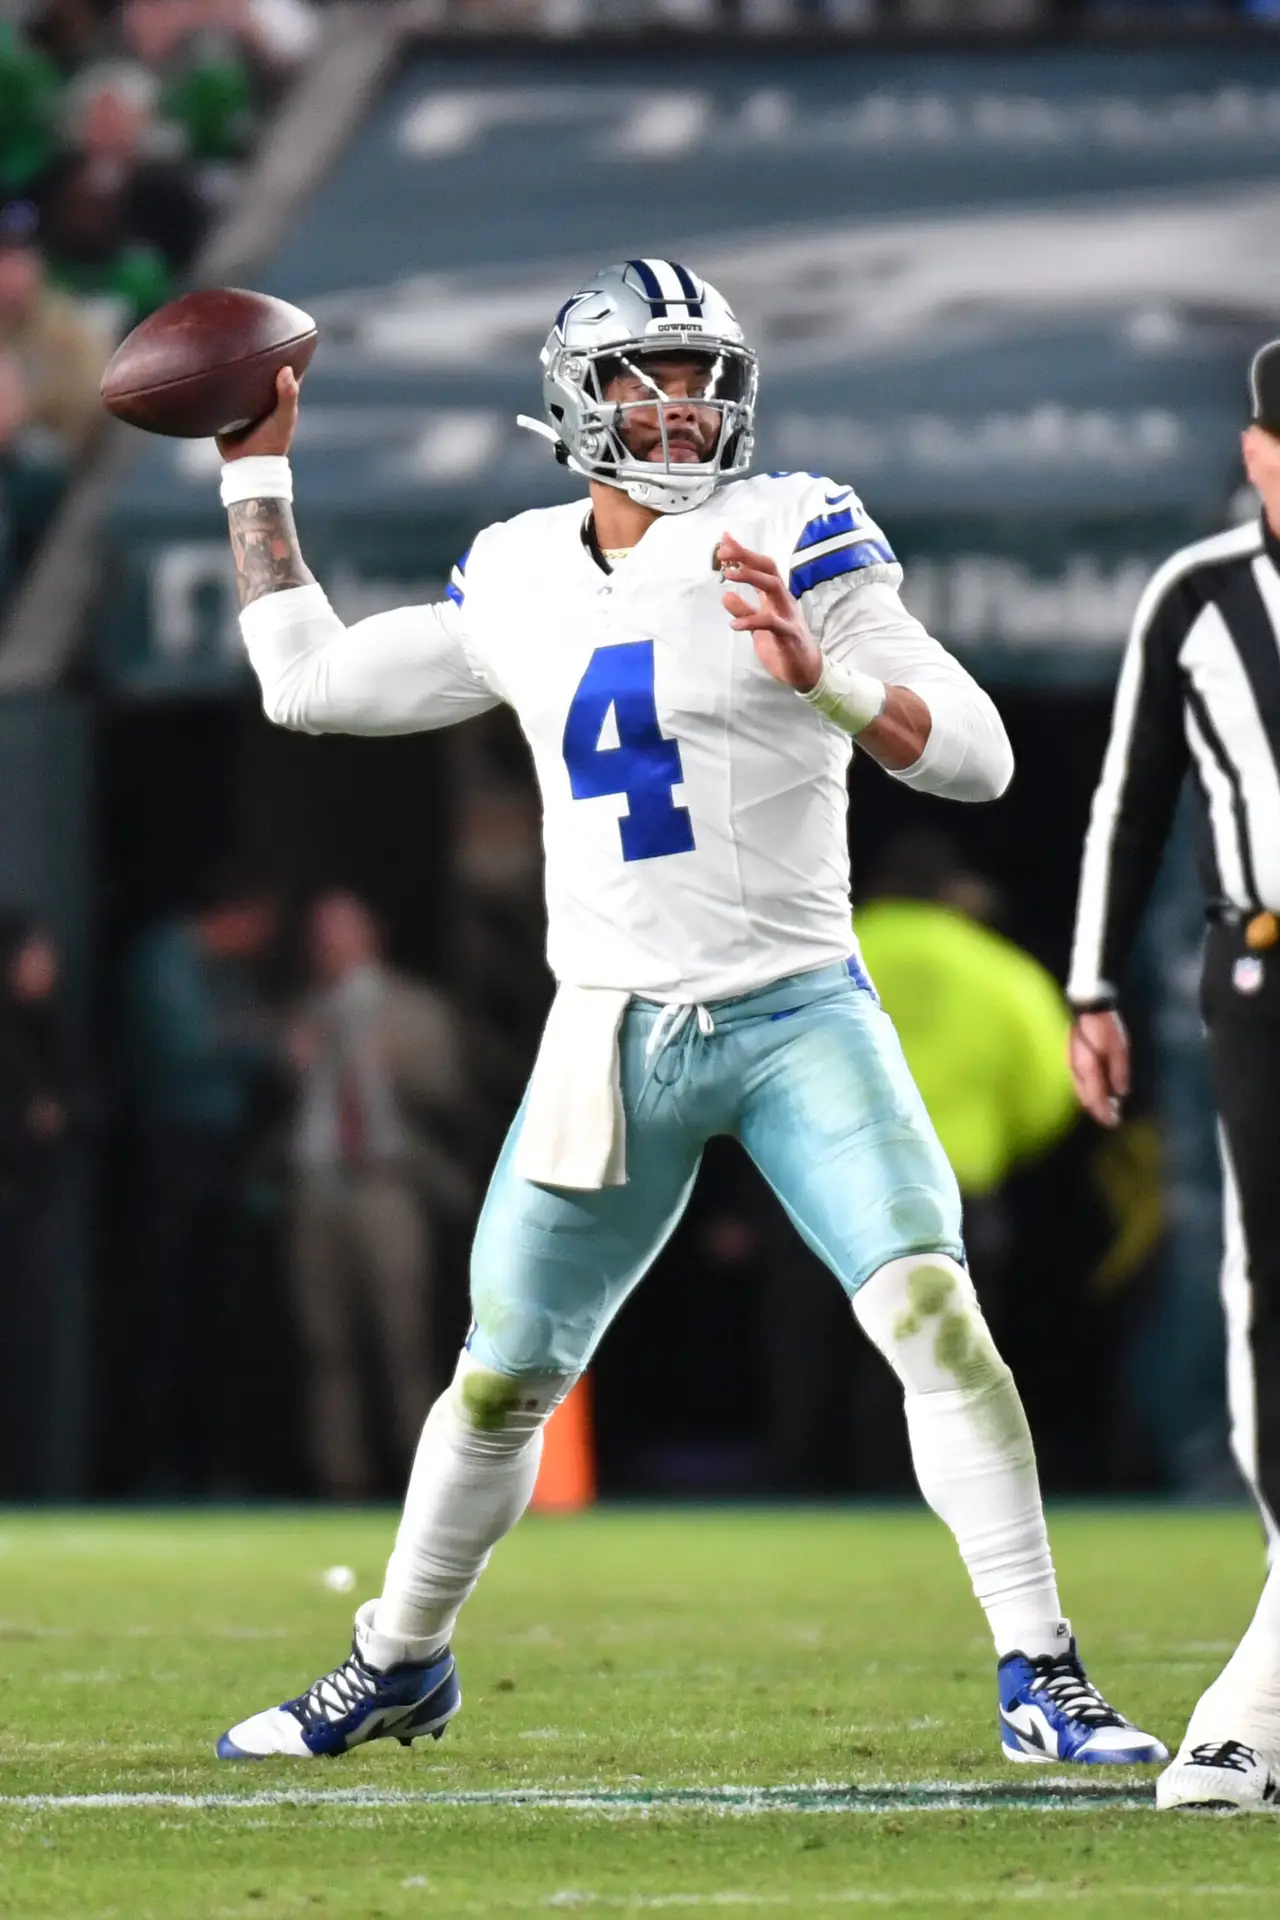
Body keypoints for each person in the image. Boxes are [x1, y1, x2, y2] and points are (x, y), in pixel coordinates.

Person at [212, 259, 1163, 1768]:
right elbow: (308, 684)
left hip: (796, 1013)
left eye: (703, 376)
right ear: (572, 402)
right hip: (609, 1032)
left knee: (932, 1313)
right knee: (502, 1372)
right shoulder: (519, 567)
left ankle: (1041, 1674)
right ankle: (395, 1658)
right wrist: (251, 468)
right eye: (647, 377)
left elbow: (977, 759)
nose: (681, 406)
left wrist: (828, 681)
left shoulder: (796, 529)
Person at [1067, 338, 1280, 1813]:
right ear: (1260, 454)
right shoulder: (1198, 593)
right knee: (1268, 1300)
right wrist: (1090, 984)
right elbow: (1128, 793)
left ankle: (1253, 1706)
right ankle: (1255, 1704)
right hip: (1265, 967)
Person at [288, 890, 469, 1499]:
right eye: (319, 932)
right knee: (325, 1342)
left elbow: (450, 1090)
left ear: (369, 934)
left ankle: (421, 1481)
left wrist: (399, 1067)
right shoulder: (303, 1013)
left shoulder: (412, 1009)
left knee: (403, 1336)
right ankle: (341, 1477)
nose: (327, 943)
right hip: (318, 1186)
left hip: (386, 1184)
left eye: (339, 930)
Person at [123, 886, 278, 1493]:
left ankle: (209, 1465)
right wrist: (250, 1033)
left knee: (218, 1313)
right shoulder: (164, 960)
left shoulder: (225, 976)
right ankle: (156, 1467)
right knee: (167, 1312)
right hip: (170, 1154)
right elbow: (184, 1047)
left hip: (223, 1159)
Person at [0, 914, 91, 1496]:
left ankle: (24, 1487)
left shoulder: (54, 1031)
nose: (47, 968)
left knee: (29, 1355)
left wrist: (60, 1118)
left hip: (31, 1215)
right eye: (37, 955)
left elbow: (91, 1104)